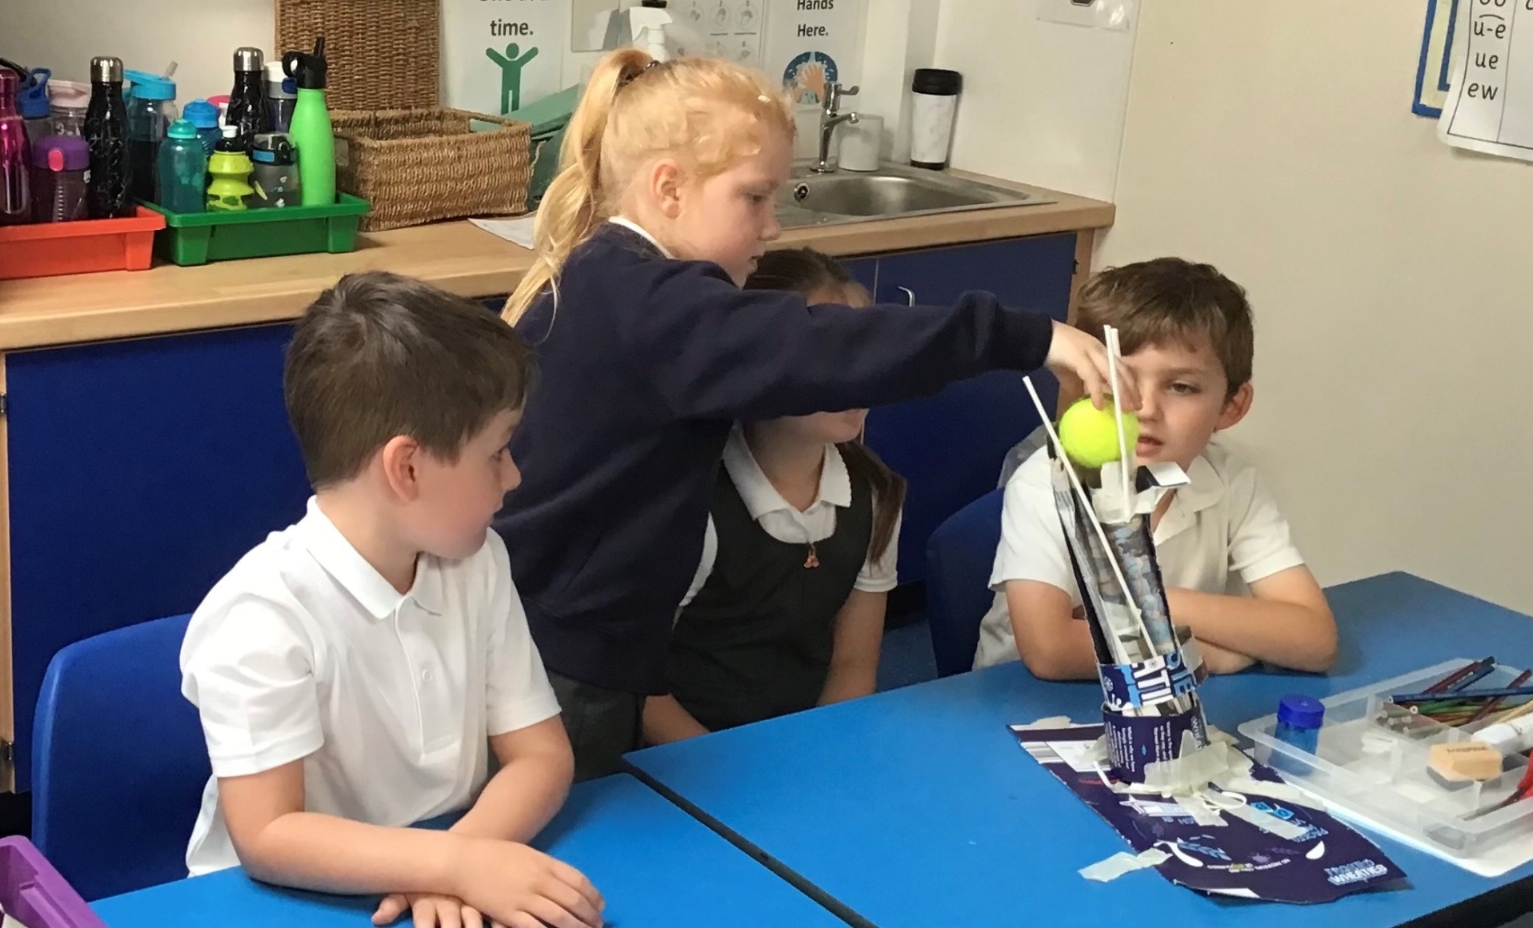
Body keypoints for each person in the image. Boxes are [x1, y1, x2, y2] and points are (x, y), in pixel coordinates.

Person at [495, 47, 1136, 779]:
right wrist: (1028, 336)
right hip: (563, 653)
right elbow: (825, 346)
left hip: (564, 637)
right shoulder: (654, 305)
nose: (772, 226)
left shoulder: (614, 278)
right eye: (754, 198)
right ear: (668, 188)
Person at [180, 272, 603, 928]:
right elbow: (268, 834)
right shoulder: (260, 615)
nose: (514, 475)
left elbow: (543, 756)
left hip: (429, 872)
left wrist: (459, 860)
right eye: (496, 452)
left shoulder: (477, 561)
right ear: (406, 468)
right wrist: (453, 866)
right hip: (274, 903)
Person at [973, 257, 1339, 678]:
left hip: (1169, 693)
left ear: (1232, 406)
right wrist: (1204, 651)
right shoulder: (1044, 482)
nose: (1145, 408)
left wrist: (1149, 600)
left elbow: (1315, 639)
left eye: (1181, 387)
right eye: (1118, 380)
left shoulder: (1232, 481)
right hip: (1025, 700)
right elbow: (1051, 651)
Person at [643, 249, 908, 740]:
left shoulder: (874, 493)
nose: (861, 376)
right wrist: (728, 774)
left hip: (799, 749)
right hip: (687, 755)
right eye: (828, 356)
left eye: (866, 350)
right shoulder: (693, 503)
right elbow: (638, 689)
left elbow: (852, 665)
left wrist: (817, 753)